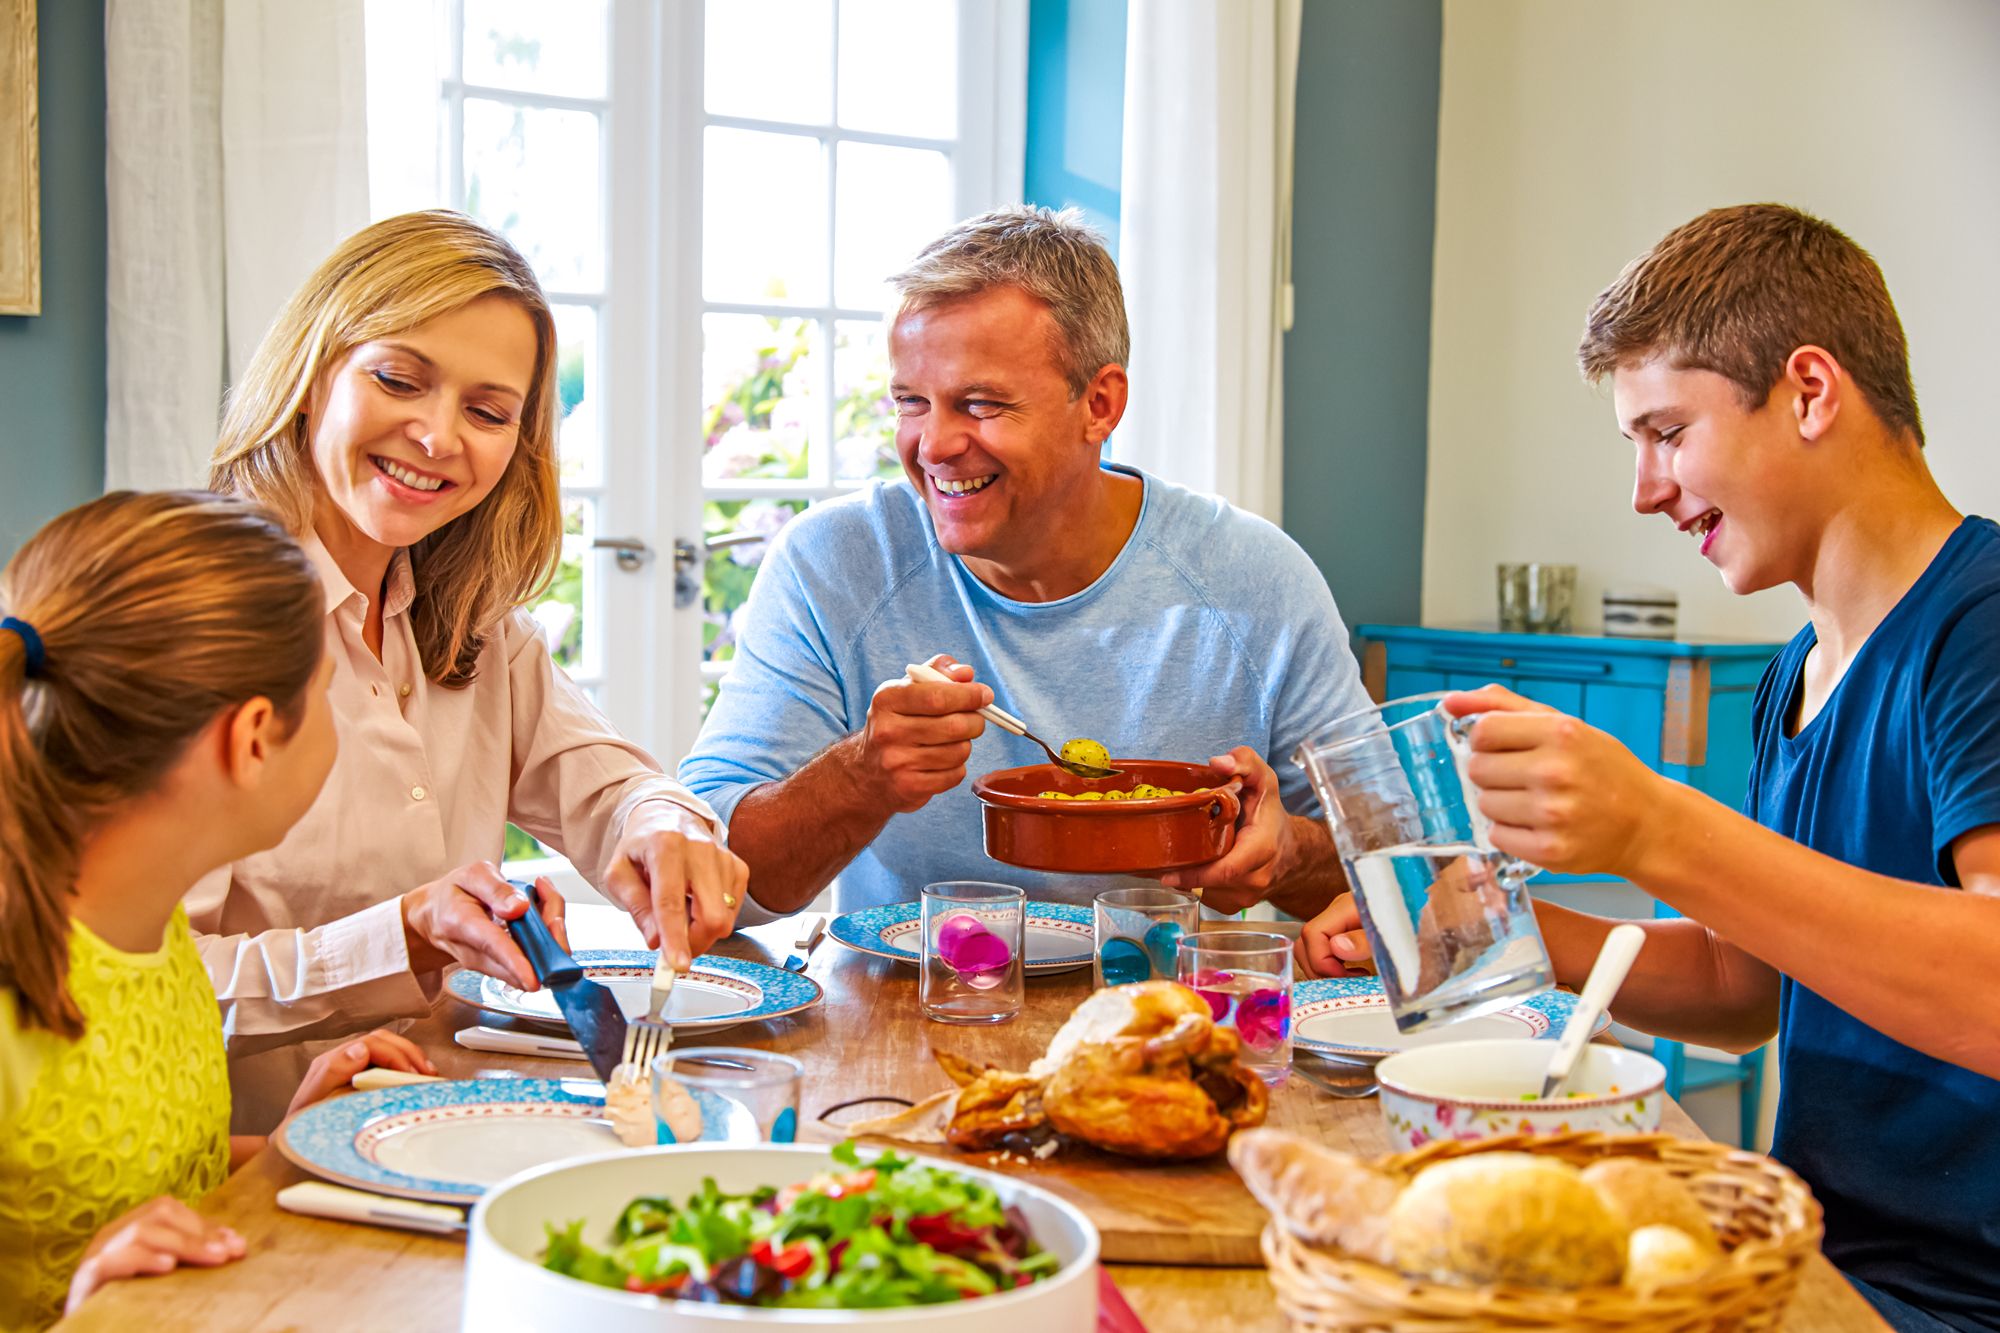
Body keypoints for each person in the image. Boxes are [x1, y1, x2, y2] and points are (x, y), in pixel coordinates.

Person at [1297, 204, 2000, 1332]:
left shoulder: (1979, 626)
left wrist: (1656, 829)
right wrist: (1488, 930)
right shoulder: (1799, 671)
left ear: (1809, 392)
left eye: (1666, 432)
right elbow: (1744, 991)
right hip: (1810, 1256)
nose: (1643, 487)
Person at [198, 211, 749, 1130]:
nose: (435, 434)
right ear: (310, 375)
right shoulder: (200, 627)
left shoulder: (476, 627)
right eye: (398, 380)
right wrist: (401, 935)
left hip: (447, 1136)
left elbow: (612, 786)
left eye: (488, 412)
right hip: (242, 1184)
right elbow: (127, 994)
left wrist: (662, 821)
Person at [680, 206, 1371, 918]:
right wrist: (862, 776)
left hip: (1169, 1018)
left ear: (1099, 404)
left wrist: (1288, 854)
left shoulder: (1255, 580)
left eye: (979, 404)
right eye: (911, 402)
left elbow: (1402, 862)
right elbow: (705, 872)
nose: (933, 444)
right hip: (908, 1017)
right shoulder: (834, 561)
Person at [0, 491, 433, 1330]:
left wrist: (284, 1149)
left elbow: (130, 1191)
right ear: (256, 737)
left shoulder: (150, 933)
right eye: (329, 695)